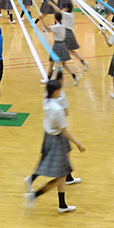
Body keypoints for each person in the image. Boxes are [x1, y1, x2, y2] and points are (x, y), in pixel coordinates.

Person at [24, 79, 85, 213]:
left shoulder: (47, 101)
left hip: (49, 137)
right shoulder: (57, 109)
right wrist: (78, 144)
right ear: (56, 91)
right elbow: (64, 130)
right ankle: (34, 195)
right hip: (57, 140)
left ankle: (62, 205)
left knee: (55, 170)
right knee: (60, 177)